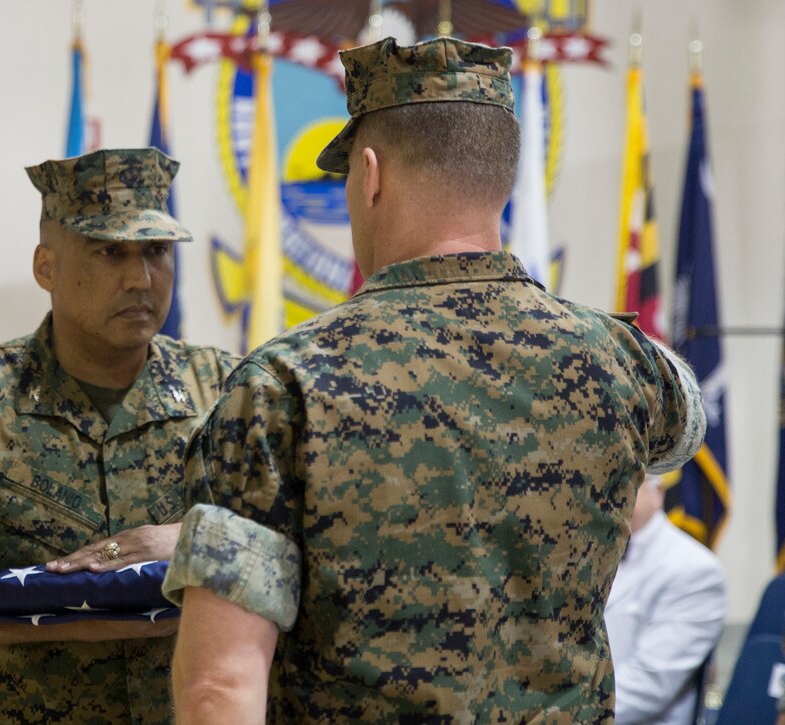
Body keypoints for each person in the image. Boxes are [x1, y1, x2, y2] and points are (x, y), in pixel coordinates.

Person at [163, 36, 707, 723]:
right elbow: (687, 421)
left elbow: (220, 686)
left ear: (370, 175)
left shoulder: (283, 386)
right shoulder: (621, 361)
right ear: (501, 179)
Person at [0, 148, 236, 723]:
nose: (140, 278)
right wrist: (78, 611)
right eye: (110, 251)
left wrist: (194, 539)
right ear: (46, 267)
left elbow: (304, 541)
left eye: (157, 252)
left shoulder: (229, 390)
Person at [604, 475, 726, 724]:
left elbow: (650, 683)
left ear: (657, 492)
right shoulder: (583, 553)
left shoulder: (695, 569)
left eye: (623, 480)